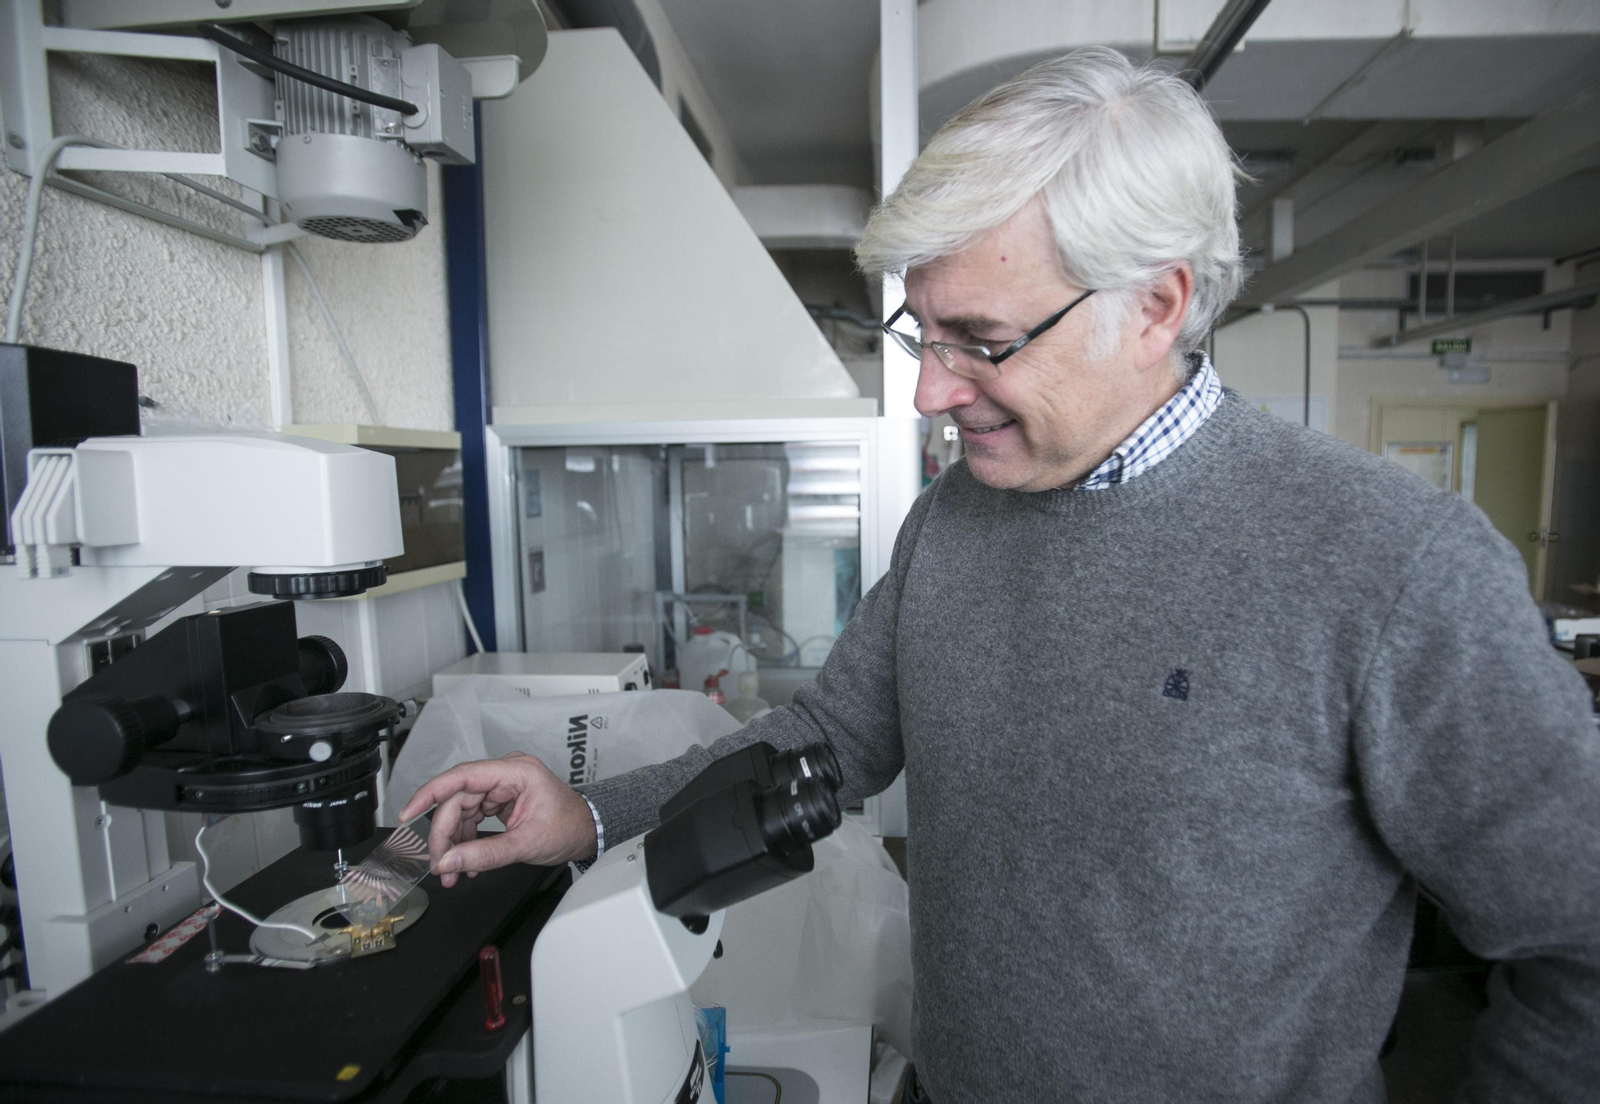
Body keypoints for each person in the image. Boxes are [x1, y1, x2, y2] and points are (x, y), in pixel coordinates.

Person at [401, 47, 1600, 1102]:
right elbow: (830, 736)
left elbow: (1578, 943)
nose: (929, 391)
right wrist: (595, 813)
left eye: (981, 341)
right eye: (924, 334)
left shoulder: (1392, 566)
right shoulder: (955, 521)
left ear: (1155, 305)